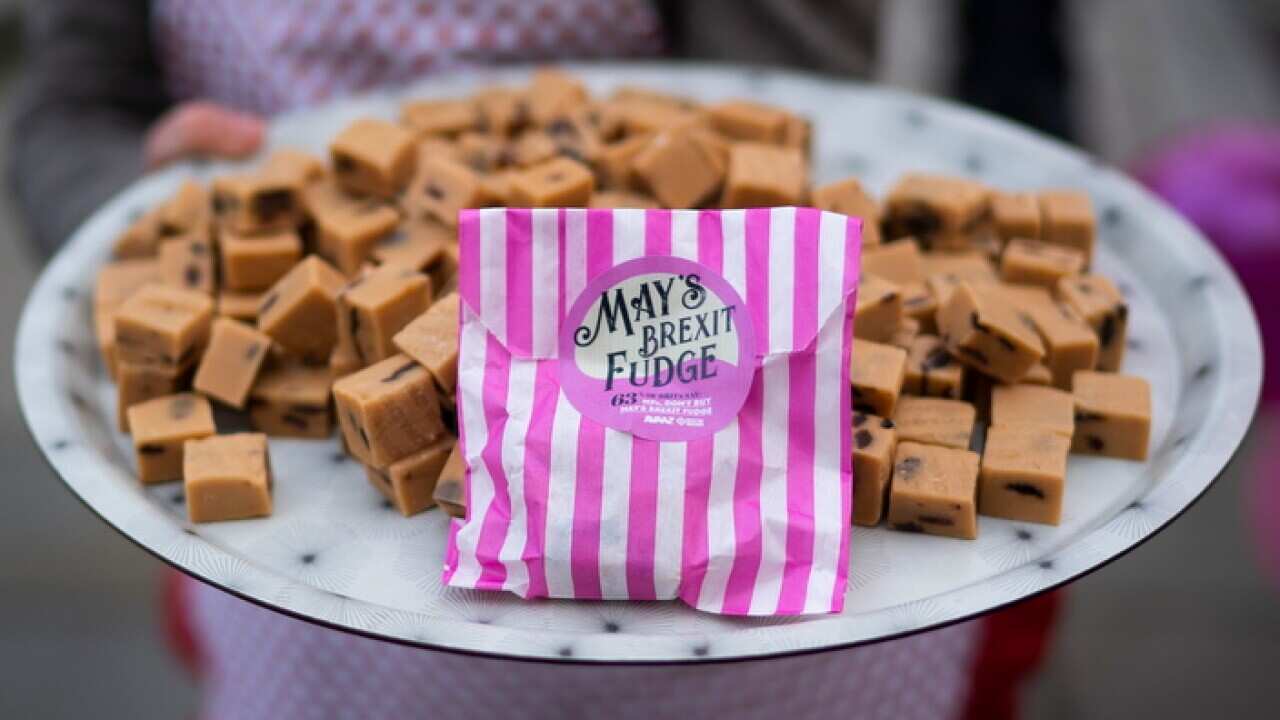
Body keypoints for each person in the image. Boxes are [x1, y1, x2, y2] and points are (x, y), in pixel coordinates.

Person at [34, 1, 1253, 718]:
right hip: (324, 555)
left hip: (751, 564)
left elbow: (782, 107)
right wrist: (133, 199)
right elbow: (65, 105)